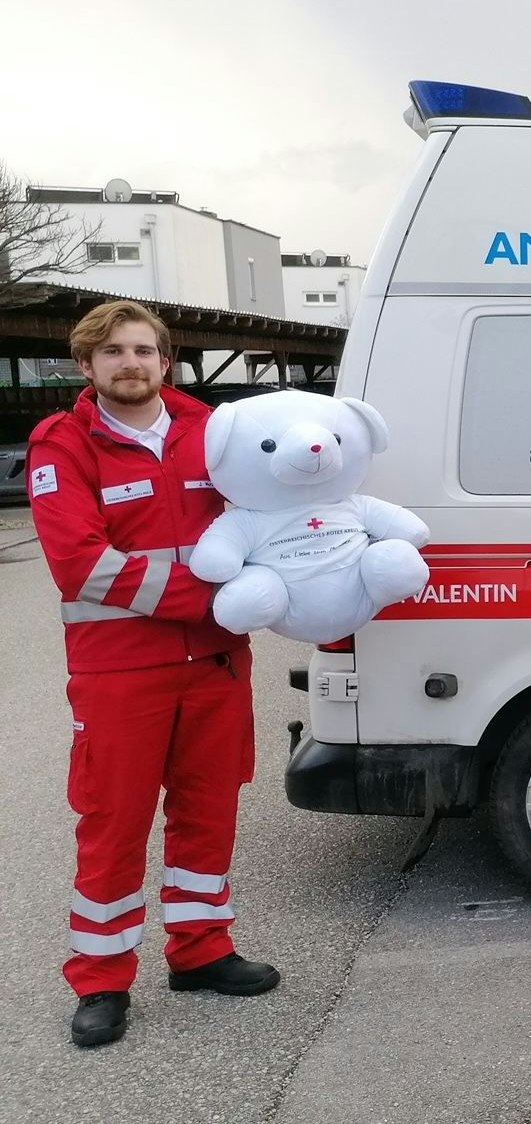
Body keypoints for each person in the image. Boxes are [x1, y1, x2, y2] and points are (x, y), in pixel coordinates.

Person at [28, 301, 280, 1049]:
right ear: (86, 366)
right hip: (121, 673)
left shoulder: (213, 433)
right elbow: (82, 565)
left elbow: (270, 518)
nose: (130, 363)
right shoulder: (62, 444)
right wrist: (212, 599)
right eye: (113, 353)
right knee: (115, 820)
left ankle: (200, 952)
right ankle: (102, 980)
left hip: (217, 665)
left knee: (210, 808)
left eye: (143, 350)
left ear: (166, 361)